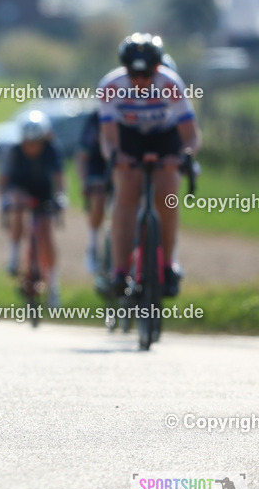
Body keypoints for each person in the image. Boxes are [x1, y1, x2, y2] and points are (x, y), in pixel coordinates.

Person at [98, 32, 201, 298]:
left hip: (165, 136)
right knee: (126, 192)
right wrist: (115, 157)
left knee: (167, 193)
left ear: (158, 68)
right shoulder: (111, 85)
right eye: (134, 75)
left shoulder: (170, 83)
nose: (141, 81)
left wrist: (182, 156)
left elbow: (190, 135)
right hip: (129, 137)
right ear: (125, 69)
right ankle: (120, 271)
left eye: (146, 76)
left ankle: (167, 266)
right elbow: (109, 140)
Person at [0, 111, 67, 308]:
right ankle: (13, 257)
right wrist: (4, 199)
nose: (32, 147)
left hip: (43, 191)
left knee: (46, 233)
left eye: (36, 142)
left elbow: (59, 178)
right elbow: (2, 182)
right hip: (20, 189)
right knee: (18, 207)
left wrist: (61, 196)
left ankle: (53, 287)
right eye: (28, 143)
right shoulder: (13, 151)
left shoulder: (51, 149)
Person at [76, 109, 109, 275]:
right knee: (98, 198)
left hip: (125, 165)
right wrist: (84, 182)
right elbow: (82, 155)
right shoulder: (96, 118)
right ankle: (93, 246)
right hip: (98, 168)